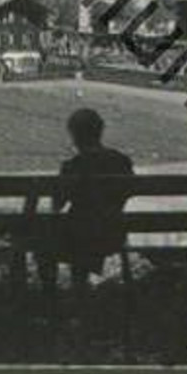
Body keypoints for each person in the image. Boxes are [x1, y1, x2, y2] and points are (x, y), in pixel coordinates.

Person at [52, 107, 134, 281]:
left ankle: (50, 298)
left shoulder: (72, 166)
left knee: (44, 240)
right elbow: (129, 191)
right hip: (114, 233)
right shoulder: (121, 161)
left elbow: (57, 204)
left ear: (74, 135)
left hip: (78, 236)